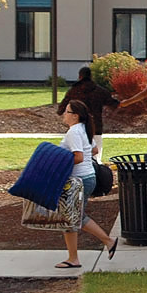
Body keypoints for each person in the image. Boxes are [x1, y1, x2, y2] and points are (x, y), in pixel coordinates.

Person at [54, 99, 118, 268]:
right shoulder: (84, 129)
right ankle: (74, 257)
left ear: (75, 116)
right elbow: (94, 150)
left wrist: (57, 164)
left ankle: (107, 242)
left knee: (72, 218)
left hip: (78, 180)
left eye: (67, 112)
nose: (64, 115)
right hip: (87, 177)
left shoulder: (74, 132)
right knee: (72, 218)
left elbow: (79, 157)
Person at [58, 66, 119, 162]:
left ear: (80, 76)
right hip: (96, 127)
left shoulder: (74, 91)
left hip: (78, 126)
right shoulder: (100, 91)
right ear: (91, 76)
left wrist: (62, 111)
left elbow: (61, 108)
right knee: (96, 159)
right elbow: (114, 104)